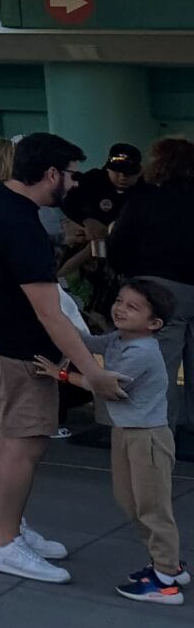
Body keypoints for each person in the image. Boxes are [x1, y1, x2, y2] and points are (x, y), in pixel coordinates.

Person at [0, 131, 118, 583]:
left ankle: (7, 527)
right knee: (24, 440)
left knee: (14, 437)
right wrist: (92, 373)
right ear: (50, 174)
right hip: (10, 348)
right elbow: (51, 315)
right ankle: (4, 543)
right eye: (68, 175)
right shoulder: (22, 227)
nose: (72, 185)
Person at [38, 277, 186, 604]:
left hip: (147, 439)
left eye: (132, 307)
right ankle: (168, 565)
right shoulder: (120, 339)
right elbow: (89, 344)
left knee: (151, 506)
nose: (120, 309)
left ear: (154, 324)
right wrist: (57, 318)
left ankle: (165, 580)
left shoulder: (143, 352)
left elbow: (106, 387)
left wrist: (60, 374)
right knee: (130, 500)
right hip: (127, 433)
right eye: (119, 300)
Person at [107, 136, 194, 442]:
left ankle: (161, 432)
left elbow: (118, 245)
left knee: (162, 368)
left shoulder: (144, 201)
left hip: (159, 288)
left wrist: (128, 276)